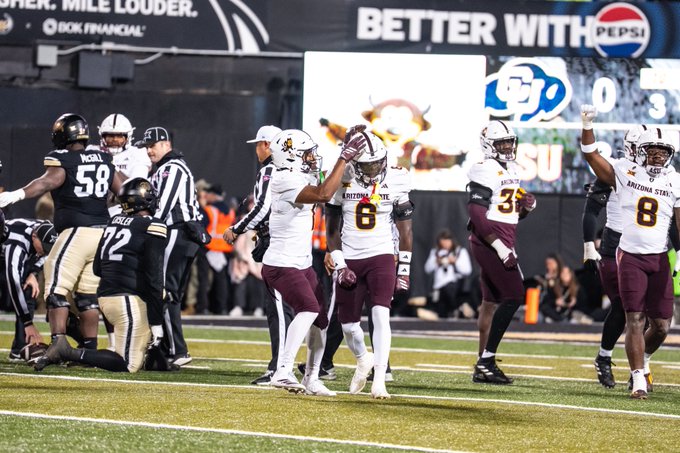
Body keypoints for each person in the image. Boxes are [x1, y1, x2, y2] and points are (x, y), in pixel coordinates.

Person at [0, 113, 122, 360]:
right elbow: (124, 188)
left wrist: (17, 194)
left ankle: (59, 344)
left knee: (55, 289)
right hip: (102, 233)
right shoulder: (103, 158)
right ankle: (89, 351)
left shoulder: (63, 159)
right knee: (88, 297)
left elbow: (48, 182)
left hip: (76, 232)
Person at [580, 104, 680, 399]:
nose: (658, 156)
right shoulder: (624, 171)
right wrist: (587, 125)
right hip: (629, 255)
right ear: (640, 151)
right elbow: (591, 154)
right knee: (633, 317)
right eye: (652, 151)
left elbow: (678, 223)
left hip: (659, 256)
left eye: (663, 151)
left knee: (661, 326)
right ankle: (637, 378)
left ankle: (644, 360)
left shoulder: (674, 179)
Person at [262, 126, 366, 395]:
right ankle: (282, 371)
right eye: (306, 154)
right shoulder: (283, 179)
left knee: (321, 320)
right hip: (281, 263)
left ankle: (311, 377)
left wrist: (346, 151)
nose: (311, 158)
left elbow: (329, 179)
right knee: (308, 309)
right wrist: (344, 157)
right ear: (290, 155)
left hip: (301, 263)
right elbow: (324, 194)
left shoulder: (300, 174)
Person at [34, 178, 169, 373]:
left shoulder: (113, 222)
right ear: (146, 200)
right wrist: (156, 323)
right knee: (128, 364)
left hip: (106, 299)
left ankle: (155, 357)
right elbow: (154, 277)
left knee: (138, 349)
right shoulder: (153, 225)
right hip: (127, 300)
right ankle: (67, 352)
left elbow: (98, 268)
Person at [325, 130, 414, 399]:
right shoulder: (342, 177)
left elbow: (406, 231)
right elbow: (331, 231)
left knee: (380, 315)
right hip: (351, 256)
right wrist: (340, 265)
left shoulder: (397, 178)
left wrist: (404, 270)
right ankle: (364, 358)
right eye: (368, 165)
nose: (374, 169)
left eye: (377, 163)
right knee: (348, 325)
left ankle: (380, 379)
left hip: (381, 255)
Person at [223, 125, 295, 386]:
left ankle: (280, 368)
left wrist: (237, 228)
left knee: (278, 307)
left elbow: (263, 208)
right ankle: (306, 365)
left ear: (267, 144)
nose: (256, 150)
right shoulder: (295, 170)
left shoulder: (270, 170)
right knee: (299, 307)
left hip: (278, 242)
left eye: (258, 144)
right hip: (294, 241)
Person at [467, 120, 537, 385]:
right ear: (488, 145)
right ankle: (486, 361)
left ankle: (482, 362)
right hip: (489, 240)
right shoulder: (483, 168)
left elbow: (509, 213)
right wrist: (500, 248)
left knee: (490, 301)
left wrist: (526, 208)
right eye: (501, 143)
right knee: (514, 296)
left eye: (509, 142)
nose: (507, 147)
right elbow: (476, 214)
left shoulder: (512, 168)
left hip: (504, 236)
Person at [581, 125, 648, 389]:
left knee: (647, 311)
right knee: (624, 306)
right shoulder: (616, 171)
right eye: (645, 148)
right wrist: (589, 245)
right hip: (615, 246)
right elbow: (591, 210)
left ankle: (641, 367)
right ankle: (606, 357)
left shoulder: (661, 176)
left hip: (645, 247)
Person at [136, 126, 206, 367]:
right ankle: (169, 348)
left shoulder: (172, 167)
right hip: (181, 233)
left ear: (166, 144)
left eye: (152, 145)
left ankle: (175, 350)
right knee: (169, 293)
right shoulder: (166, 167)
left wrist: (149, 229)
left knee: (163, 290)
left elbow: (164, 204)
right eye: (147, 146)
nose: (149, 150)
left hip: (177, 231)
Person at [97, 113, 152, 350]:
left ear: (128, 137)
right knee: (104, 282)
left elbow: (134, 188)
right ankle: (112, 342)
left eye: (119, 136)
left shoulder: (137, 155)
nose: (114, 140)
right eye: (109, 136)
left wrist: (108, 171)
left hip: (127, 222)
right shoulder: (93, 152)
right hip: (101, 221)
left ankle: (144, 337)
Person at [3, 218, 56, 361]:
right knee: (17, 291)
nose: (45, 251)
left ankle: (19, 348)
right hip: (5, 255)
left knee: (29, 291)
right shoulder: (17, 244)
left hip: (21, 256)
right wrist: (28, 323)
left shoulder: (47, 229)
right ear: (34, 236)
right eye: (43, 247)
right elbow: (13, 281)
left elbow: (48, 254)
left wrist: (33, 273)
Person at [423, 228, 473, 319]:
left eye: (447, 242)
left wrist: (454, 262)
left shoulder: (460, 252)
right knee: (441, 313)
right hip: (438, 287)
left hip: (455, 285)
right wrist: (436, 262)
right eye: (443, 243)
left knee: (449, 289)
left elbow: (467, 270)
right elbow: (427, 269)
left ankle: (459, 308)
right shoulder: (435, 252)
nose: (445, 245)